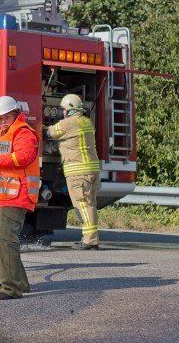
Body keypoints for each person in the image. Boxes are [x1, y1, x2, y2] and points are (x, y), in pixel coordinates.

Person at [0, 96, 40, 300]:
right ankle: (20, 282)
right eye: (0, 119)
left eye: (6, 117)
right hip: (1, 196)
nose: (2, 121)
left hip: (17, 195)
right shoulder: (0, 133)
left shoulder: (23, 132)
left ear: (15, 114)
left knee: (5, 239)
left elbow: (24, 156)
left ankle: (11, 288)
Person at [46, 94, 101, 250]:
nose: (62, 112)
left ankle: (90, 241)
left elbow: (49, 133)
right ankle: (92, 238)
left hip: (78, 173)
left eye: (63, 110)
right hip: (92, 170)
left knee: (82, 205)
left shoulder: (67, 124)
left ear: (69, 109)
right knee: (90, 205)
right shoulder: (87, 122)